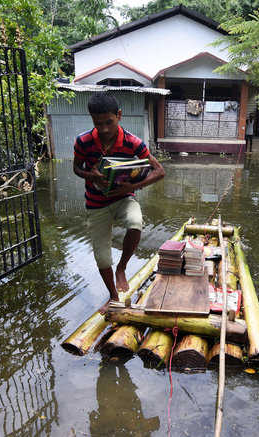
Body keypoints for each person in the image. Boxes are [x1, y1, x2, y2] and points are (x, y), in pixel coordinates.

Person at [73, 92, 165, 313]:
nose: (104, 128)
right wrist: (90, 175)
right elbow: (76, 168)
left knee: (136, 223)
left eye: (109, 122)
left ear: (119, 115)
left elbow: (159, 171)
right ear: (92, 120)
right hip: (96, 203)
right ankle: (113, 296)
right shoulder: (83, 142)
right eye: (98, 123)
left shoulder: (133, 143)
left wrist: (132, 187)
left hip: (124, 197)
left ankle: (122, 267)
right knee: (102, 257)